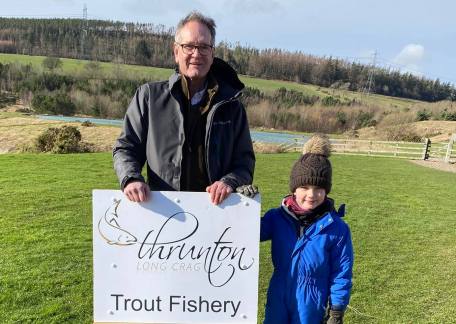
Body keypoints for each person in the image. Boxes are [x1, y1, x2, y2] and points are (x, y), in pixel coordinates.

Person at [113, 11, 255, 205]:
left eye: (204, 47)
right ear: (176, 51)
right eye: (189, 46)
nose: (196, 54)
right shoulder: (148, 97)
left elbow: (244, 163)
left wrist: (229, 182)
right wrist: (131, 178)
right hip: (162, 213)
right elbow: (126, 148)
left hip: (216, 216)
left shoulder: (232, 107)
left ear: (212, 54)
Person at [260, 134, 353, 324]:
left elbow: (341, 272)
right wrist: (240, 201)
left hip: (311, 301)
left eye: (319, 188)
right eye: (304, 187)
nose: (311, 194)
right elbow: (243, 233)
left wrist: (336, 310)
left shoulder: (337, 228)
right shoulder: (276, 218)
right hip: (278, 295)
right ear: (294, 188)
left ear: (326, 191)